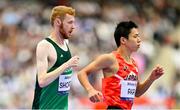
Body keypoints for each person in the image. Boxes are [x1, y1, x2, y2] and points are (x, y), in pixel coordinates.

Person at [78, 21, 164, 109]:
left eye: (139, 36)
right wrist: (90, 90)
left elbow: (137, 92)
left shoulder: (134, 64)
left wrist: (151, 78)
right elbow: (82, 73)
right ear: (123, 40)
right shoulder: (111, 59)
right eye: (135, 36)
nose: (139, 40)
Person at [32, 6, 79, 109]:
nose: (73, 26)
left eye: (74, 22)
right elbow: (42, 81)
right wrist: (67, 65)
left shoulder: (66, 43)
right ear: (58, 22)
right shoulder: (44, 45)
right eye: (70, 22)